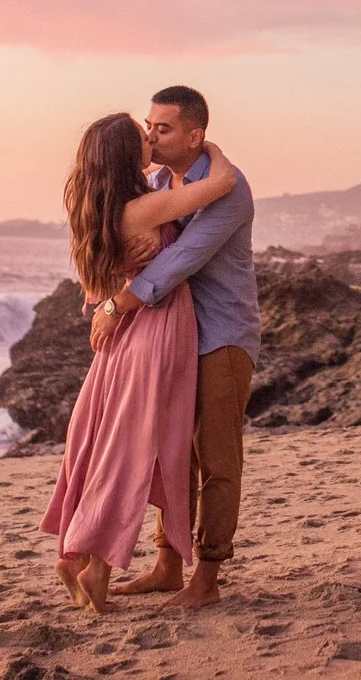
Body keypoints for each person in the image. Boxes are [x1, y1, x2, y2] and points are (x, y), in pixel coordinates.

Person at [39, 110, 237, 613]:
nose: (150, 137)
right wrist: (210, 149)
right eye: (142, 133)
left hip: (124, 337)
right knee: (134, 449)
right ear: (128, 155)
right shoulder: (146, 205)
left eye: (155, 128)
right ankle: (96, 566)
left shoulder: (103, 207)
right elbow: (224, 183)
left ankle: (79, 553)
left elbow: (105, 282)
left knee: (113, 441)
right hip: (157, 330)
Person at [92, 85, 259, 611]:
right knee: (171, 453)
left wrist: (119, 304)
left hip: (222, 335)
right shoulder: (160, 182)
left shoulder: (228, 190)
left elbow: (183, 257)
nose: (151, 136)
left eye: (162, 129)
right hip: (171, 333)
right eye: (149, 125)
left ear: (195, 135)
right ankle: (167, 564)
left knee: (216, 457)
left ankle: (207, 577)